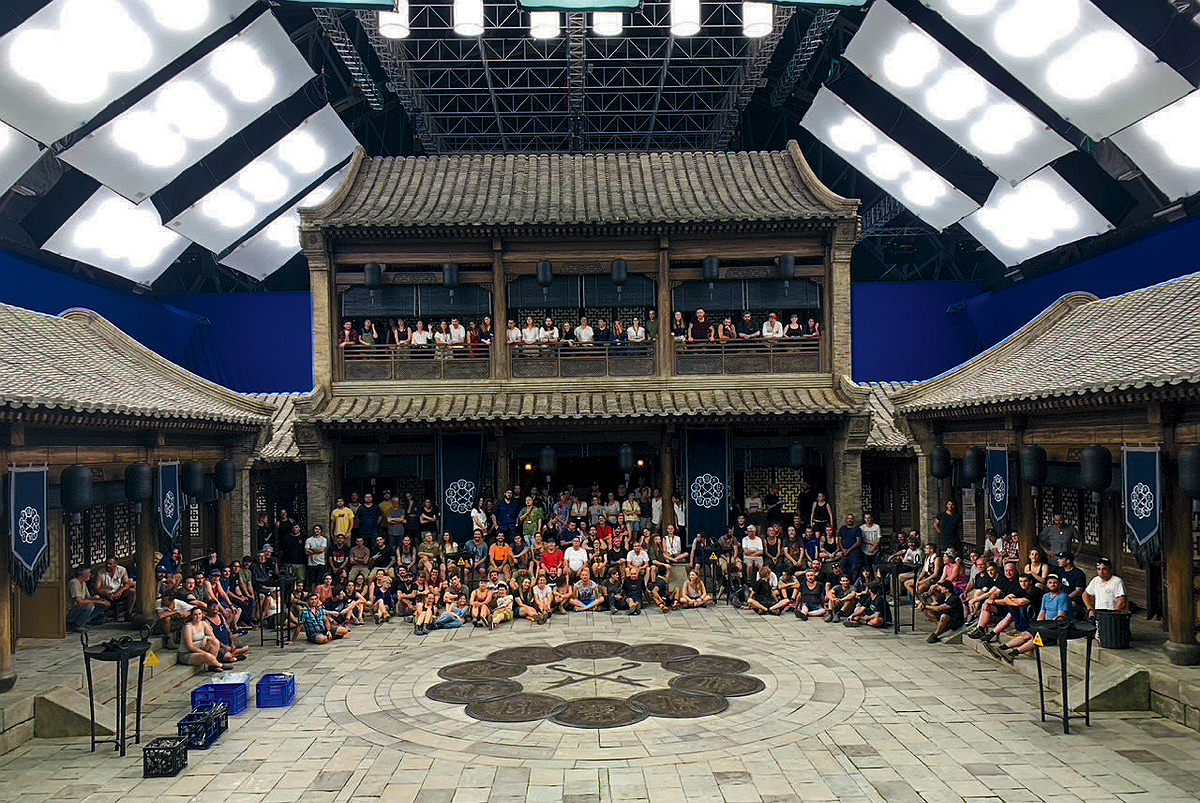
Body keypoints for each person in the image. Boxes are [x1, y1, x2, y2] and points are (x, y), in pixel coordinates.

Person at [178, 606, 231, 671]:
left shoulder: (203, 623)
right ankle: (219, 665)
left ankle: (212, 664)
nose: (198, 616)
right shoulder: (188, 627)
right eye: (195, 614)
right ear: (192, 616)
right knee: (207, 656)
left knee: (215, 642)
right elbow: (190, 647)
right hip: (187, 653)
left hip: (200, 647)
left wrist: (206, 638)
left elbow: (213, 637)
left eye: (199, 614)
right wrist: (205, 653)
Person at [1084, 557, 1127, 622]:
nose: (1101, 572)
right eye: (1099, 569)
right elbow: (1085, 594)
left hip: (1113, 615)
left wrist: (1114, 614)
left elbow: (1122, 601)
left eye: (1104, 569)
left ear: (1109, 569)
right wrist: (1090, 609)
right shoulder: (1096, 580)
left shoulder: (1117, 581)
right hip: (1099, 614)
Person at [95, 557, 136, 621]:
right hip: (106, 594)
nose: (108, 566)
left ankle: (128, 613)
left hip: (118, 592)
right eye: (107, 564)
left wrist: (120, 591)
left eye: (110, 564)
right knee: (97, 597)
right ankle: (102, 615)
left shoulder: (122, 570)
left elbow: (126, 584)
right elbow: (97, 588)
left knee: (132, 591)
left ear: (115, 564)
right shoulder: (100, 572)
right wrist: (108, 594)